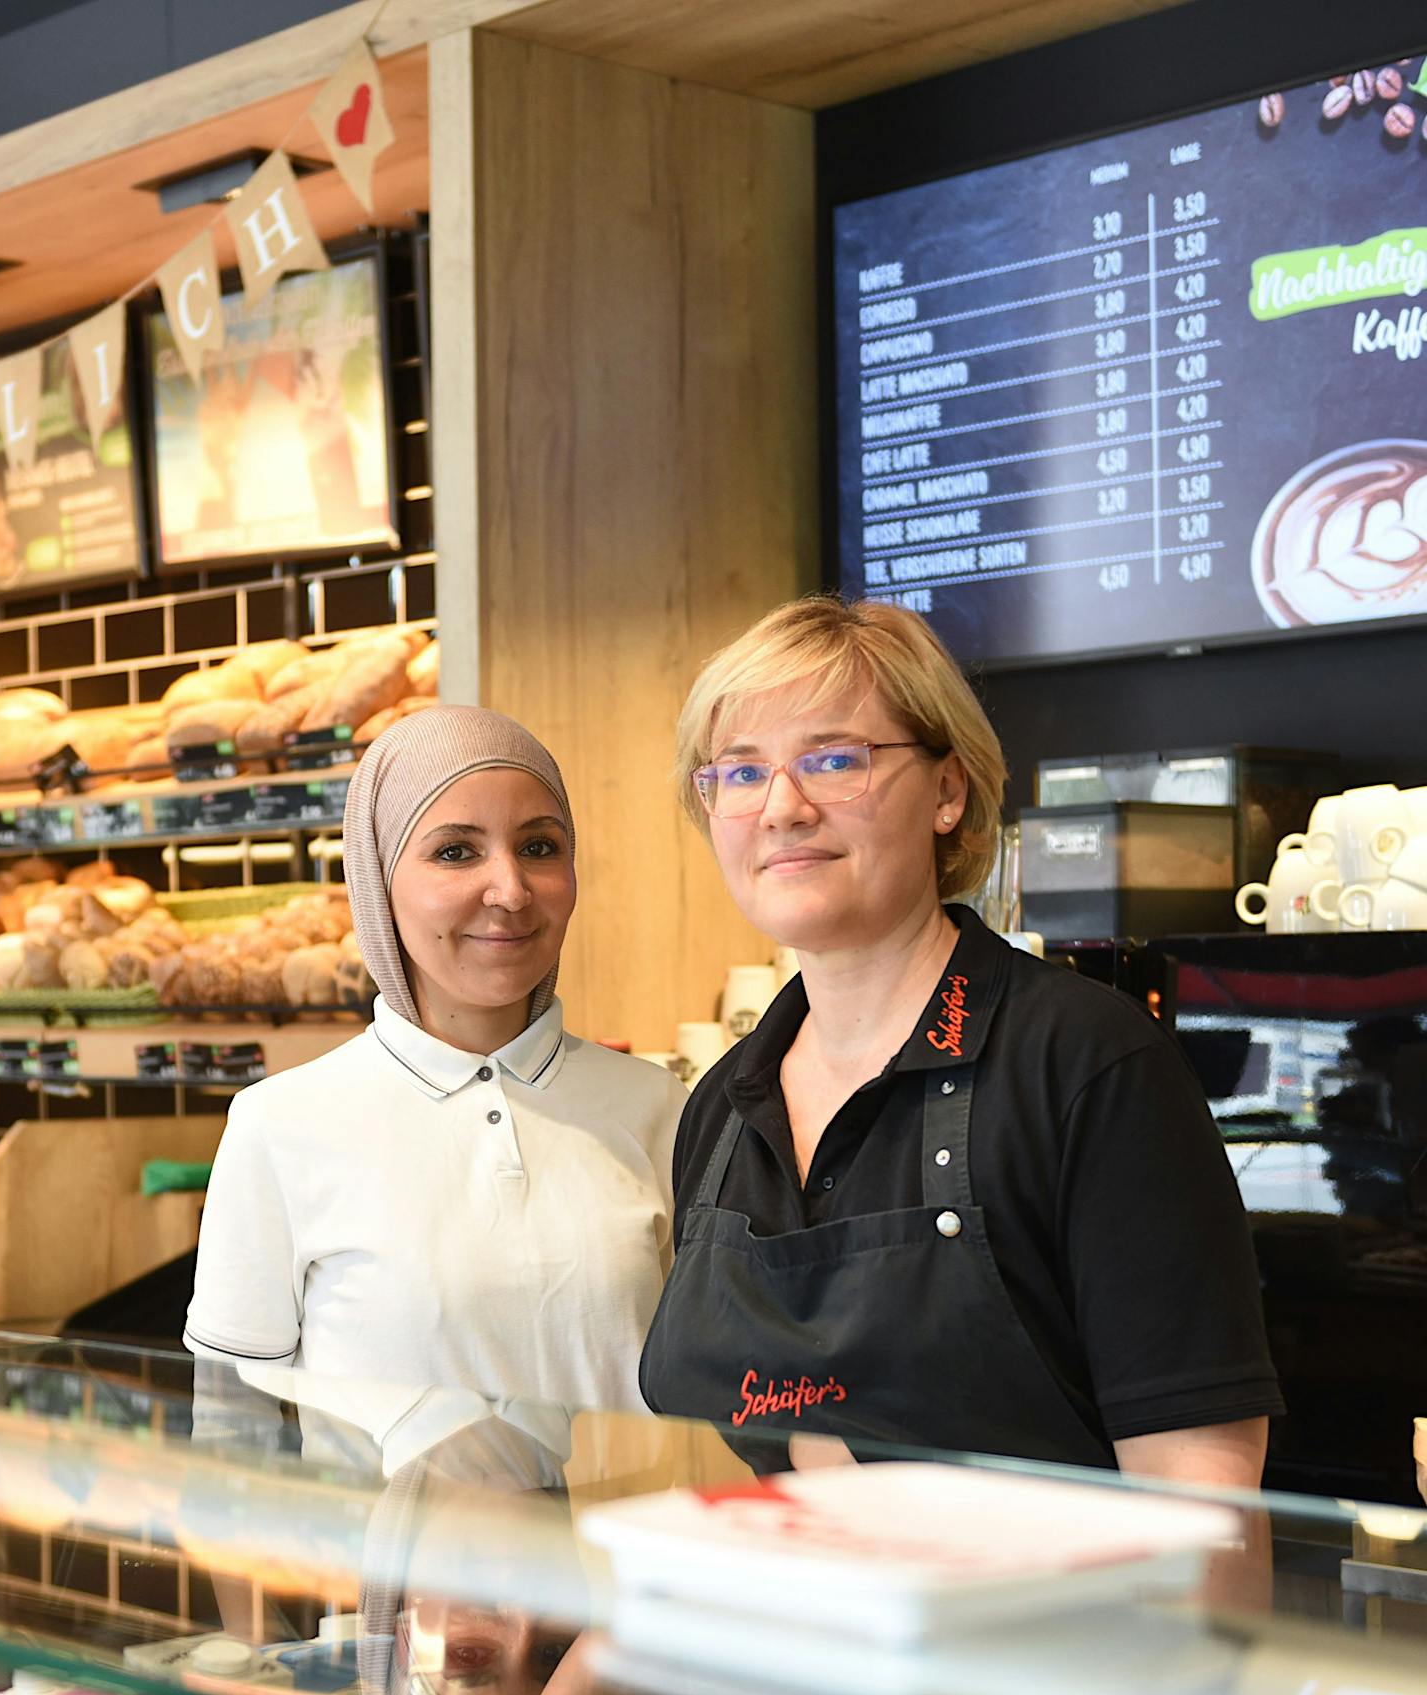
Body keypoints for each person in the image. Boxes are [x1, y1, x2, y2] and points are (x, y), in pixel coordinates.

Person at [640, 597, 1283, 1487]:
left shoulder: (1087, 1065)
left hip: (1049, 1585)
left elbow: (1198, 1485)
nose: (782, 808)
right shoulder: (722, 1109)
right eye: (741, 773)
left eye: (834, 760)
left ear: (947, 791)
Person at [186, 705, 685, 1416]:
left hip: (625, 1497)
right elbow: (233, 1433)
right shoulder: (278, 1124)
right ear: (377, 881)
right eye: (455, 852)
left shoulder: (662, 1108)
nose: (511, 890)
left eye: (539, 846)